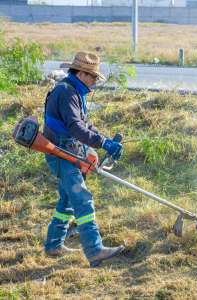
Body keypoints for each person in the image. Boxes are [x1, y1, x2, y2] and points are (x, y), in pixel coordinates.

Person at [43, 51, 124, 267]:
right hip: (60, 153)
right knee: (82, 199)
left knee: (67, 201)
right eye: (93, 77)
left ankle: (53, 244)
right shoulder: (66, 92)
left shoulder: (74, 92)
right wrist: (103, 143)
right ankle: (94, 249)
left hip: (69, 151)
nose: (95, 82)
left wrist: (105, 140)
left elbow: (85, 125)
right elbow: (75, 127)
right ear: (80, 73)